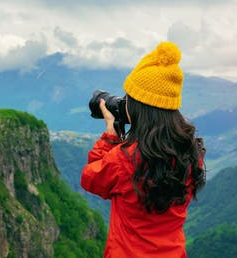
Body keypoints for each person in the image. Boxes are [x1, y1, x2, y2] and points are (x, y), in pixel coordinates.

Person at [81, 41, 206, 257]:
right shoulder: (190, 152)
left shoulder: (124, 159)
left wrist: (110, 137)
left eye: (128, 98)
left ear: (139, 107)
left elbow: (91, 179)